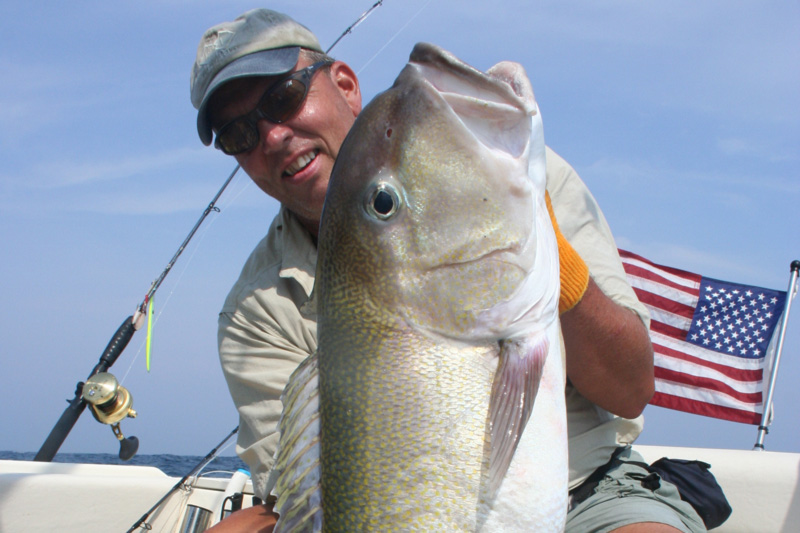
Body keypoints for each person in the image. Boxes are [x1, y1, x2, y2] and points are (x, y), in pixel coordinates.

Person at [191, 8, 706, 533]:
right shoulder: (253, 311)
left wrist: (553, 263)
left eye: (283, 98)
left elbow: (630, 387)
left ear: (345, 85)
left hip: (593, 490)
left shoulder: (504, 175)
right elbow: (299, 497)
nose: (273, 136)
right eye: (238, 133)